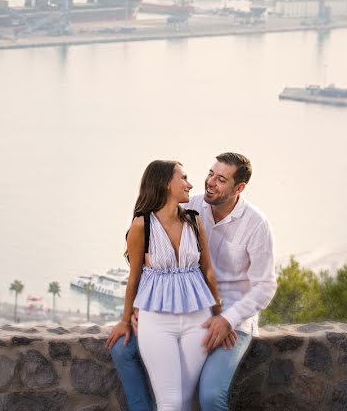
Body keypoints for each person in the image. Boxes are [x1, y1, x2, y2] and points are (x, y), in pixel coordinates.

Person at [109, 152, 277, 411]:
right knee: (122, 350)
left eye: (221, 179)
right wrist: (138, 306)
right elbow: (148, 262)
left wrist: (227, 319)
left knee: (208, 396)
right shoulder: (189, 207)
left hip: (230, 317)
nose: (209, 182)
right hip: (185, 307)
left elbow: (265, 286)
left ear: (239, 188)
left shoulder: (256, 224)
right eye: (211, 173)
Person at [105, 160, 223, 411]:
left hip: (198, 319)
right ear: (166, 183)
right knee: (170, 402)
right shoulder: (142, 225)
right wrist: (125, 320)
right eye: (184, 178)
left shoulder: (193, 220)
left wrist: (219, 317)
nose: (190, 184)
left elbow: (208, 272)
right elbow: (134, 277)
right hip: (157, 322)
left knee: (185, 399)